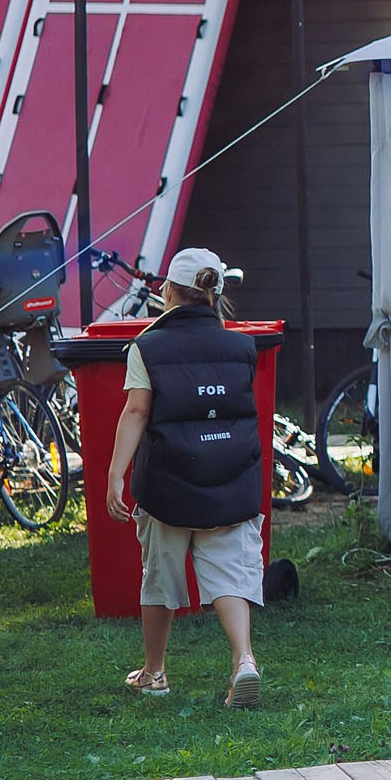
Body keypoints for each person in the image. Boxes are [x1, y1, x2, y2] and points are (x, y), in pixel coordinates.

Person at [105, 249, 266, 708]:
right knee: (231, 575)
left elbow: (137, 410)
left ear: (169, 292)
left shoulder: (147, 347)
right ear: (214, 294)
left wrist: (115, 474)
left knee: (160, 577)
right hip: (231, 480)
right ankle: (244, 661)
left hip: (169, 485)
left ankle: (154, 673)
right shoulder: (242, 348)